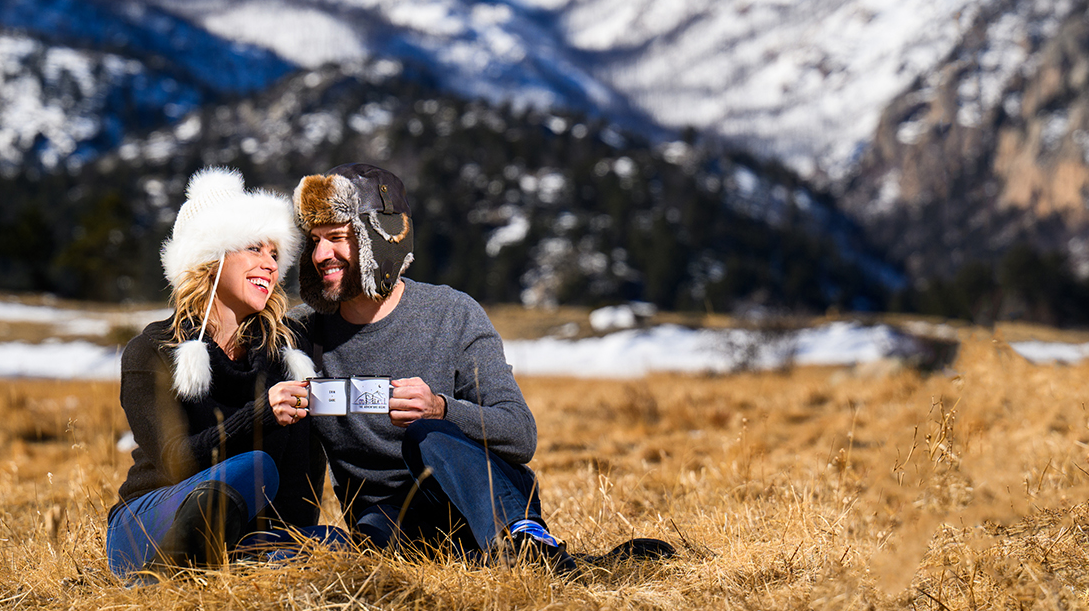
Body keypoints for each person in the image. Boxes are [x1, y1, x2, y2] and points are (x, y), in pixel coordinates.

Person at [275, 162, 671, 574]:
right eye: (314, 241)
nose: (322, 255)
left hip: (481, 500)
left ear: (379, 238)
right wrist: (273, 406)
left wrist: (442, 410)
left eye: (338, 238)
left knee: (427, 435)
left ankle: (525, 546)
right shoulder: (300, 333)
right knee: (324, 545)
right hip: (389, 525)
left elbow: (520, 434)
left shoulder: (453, 314)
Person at [106, 168, 330, 578]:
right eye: (253, 249)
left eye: (275, 255)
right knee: (251, 467)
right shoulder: (151, 352)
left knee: (336, 544)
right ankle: (170, 574)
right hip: (148, 523)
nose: (269, 265)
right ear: (209, 260)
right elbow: (176, 461)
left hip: (244, 532)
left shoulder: (287, 357)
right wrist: (262, 414)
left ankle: (215, 569)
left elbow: (300, 486)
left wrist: (299, 547)